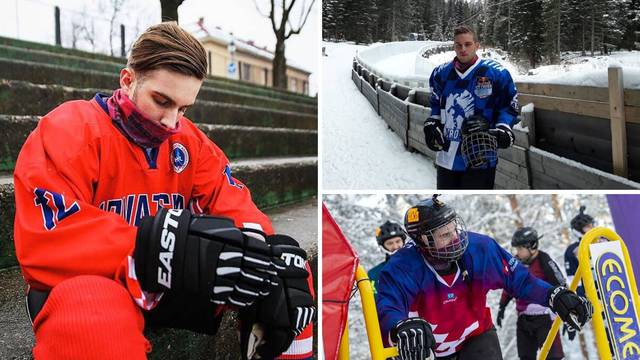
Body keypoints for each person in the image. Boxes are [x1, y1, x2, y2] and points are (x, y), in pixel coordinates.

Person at [13, 22, 314, 360]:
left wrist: (268, 252)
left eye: (183, 109)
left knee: (283, 281)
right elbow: (46, 238)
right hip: (92, 281)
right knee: (90, 313)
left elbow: (236, 208)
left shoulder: (190, 142)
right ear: (128, 80)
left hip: (170, 283)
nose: (172, 122)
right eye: (161, 100)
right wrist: (156, 248)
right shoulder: (68, 129)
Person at [376, 195, 593, 360]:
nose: (456, 238)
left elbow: (521, 281)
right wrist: (401, 327)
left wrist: (554, 295)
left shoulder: (480, 249)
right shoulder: (401, 268)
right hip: (427, 348)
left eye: (455, 230)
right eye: (445, 235)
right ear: (422, 239)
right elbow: (388, 308)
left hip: (476, 337)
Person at [423, 25, 519, 189]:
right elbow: (436, 107)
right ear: (453, 46)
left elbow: (508, 107)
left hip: (480, 154)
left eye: (467, 44)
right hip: (447, 155)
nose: (463, 49)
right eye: (458, 45)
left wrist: (502, 129)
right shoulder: (440, 74)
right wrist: (431, 124)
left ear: (477, 45)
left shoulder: (497, 73)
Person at [497, 227, 565, 360]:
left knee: (552, 356)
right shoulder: (516, 263)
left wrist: (567, 313)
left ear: (532, 246)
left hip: (544, 319)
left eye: (520, 249)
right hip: (523, 320)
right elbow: (509, 285)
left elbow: (561, 285)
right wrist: (502, 306)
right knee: (525, 356)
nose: (517, 252)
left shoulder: (545, 260)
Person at [563, 205, 595, 341]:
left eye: (592, 225)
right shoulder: (572, 251)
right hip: (591, 295)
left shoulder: (606, 240)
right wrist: (576, 306)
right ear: (578, 230)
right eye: (587, 226)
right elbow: (573, 281)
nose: (591, 228)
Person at [368, 220, 407, 294]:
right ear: (383, 247)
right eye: (390, 243)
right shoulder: (374, 274)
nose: (395, 246)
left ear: (403, 242)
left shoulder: (421, 264)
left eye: (398, 241)